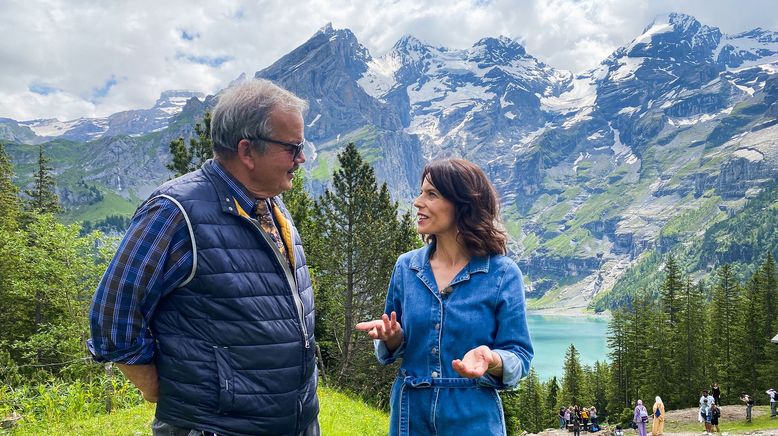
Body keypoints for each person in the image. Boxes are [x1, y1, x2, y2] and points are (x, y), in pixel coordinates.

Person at [88, 79, 319, 436]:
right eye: (293, 147)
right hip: (214, 427)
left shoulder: (273, 205)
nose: (301, 158)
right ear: (247, 151)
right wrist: (156, 387)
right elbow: (113, 317)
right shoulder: (175, 211)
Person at [355, 159, 534, 435]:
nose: (417, 202)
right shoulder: (406, 267)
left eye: (431, 194)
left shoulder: (502, 274)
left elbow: (520, 357)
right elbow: (394, 345)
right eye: (421, 192)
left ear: (463, 205)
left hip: (473, 417)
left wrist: (492, 359)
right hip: (410, 416)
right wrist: (391, 339)